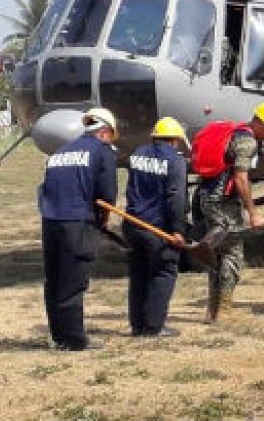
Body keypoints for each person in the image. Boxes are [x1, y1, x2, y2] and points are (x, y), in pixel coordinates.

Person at [196, 102, 264, 322]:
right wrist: (253, 212)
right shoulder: (247, 142)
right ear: (260, 123)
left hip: (208, 198)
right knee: (232, 254)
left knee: (218, 254)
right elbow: (240, 178)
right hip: (223, 203)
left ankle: (213, 310)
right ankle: (224, 310)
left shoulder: (245, 134)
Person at [37, 107, 118, 351]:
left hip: (50, 220)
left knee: (55, 279)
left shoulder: (61, 151)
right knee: (73, 280)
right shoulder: (101, 151)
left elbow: (45, 187)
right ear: (105, 132)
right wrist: (103, 221)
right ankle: (74, 340)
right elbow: (107, 192)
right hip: (77, 221)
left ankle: (59, 336)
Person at [124, 117, 188, 338]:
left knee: (139, 273)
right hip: (158, 228)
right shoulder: (175, 161)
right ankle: (154, 326)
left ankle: (137, 325)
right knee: (164, 271)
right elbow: (176, 197)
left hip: (133, 223)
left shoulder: (137, 154)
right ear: (174, 141)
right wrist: (178, 228)